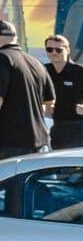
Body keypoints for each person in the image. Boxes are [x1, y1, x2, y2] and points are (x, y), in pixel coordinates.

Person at [0, 19, 54, 158]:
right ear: (15, 38)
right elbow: (49, 103)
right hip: (40, 143)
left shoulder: (2, 59)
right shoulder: (36, 62)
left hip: (9, 145)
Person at [44, 35, 83, 150]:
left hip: (79, 128)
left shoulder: (79, 71)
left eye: (58, 50)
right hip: (57, 126)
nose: (54, 52)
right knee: (58, 165)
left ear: (67, 50)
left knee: (77, 166)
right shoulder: (45, 70)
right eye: (49, 49)